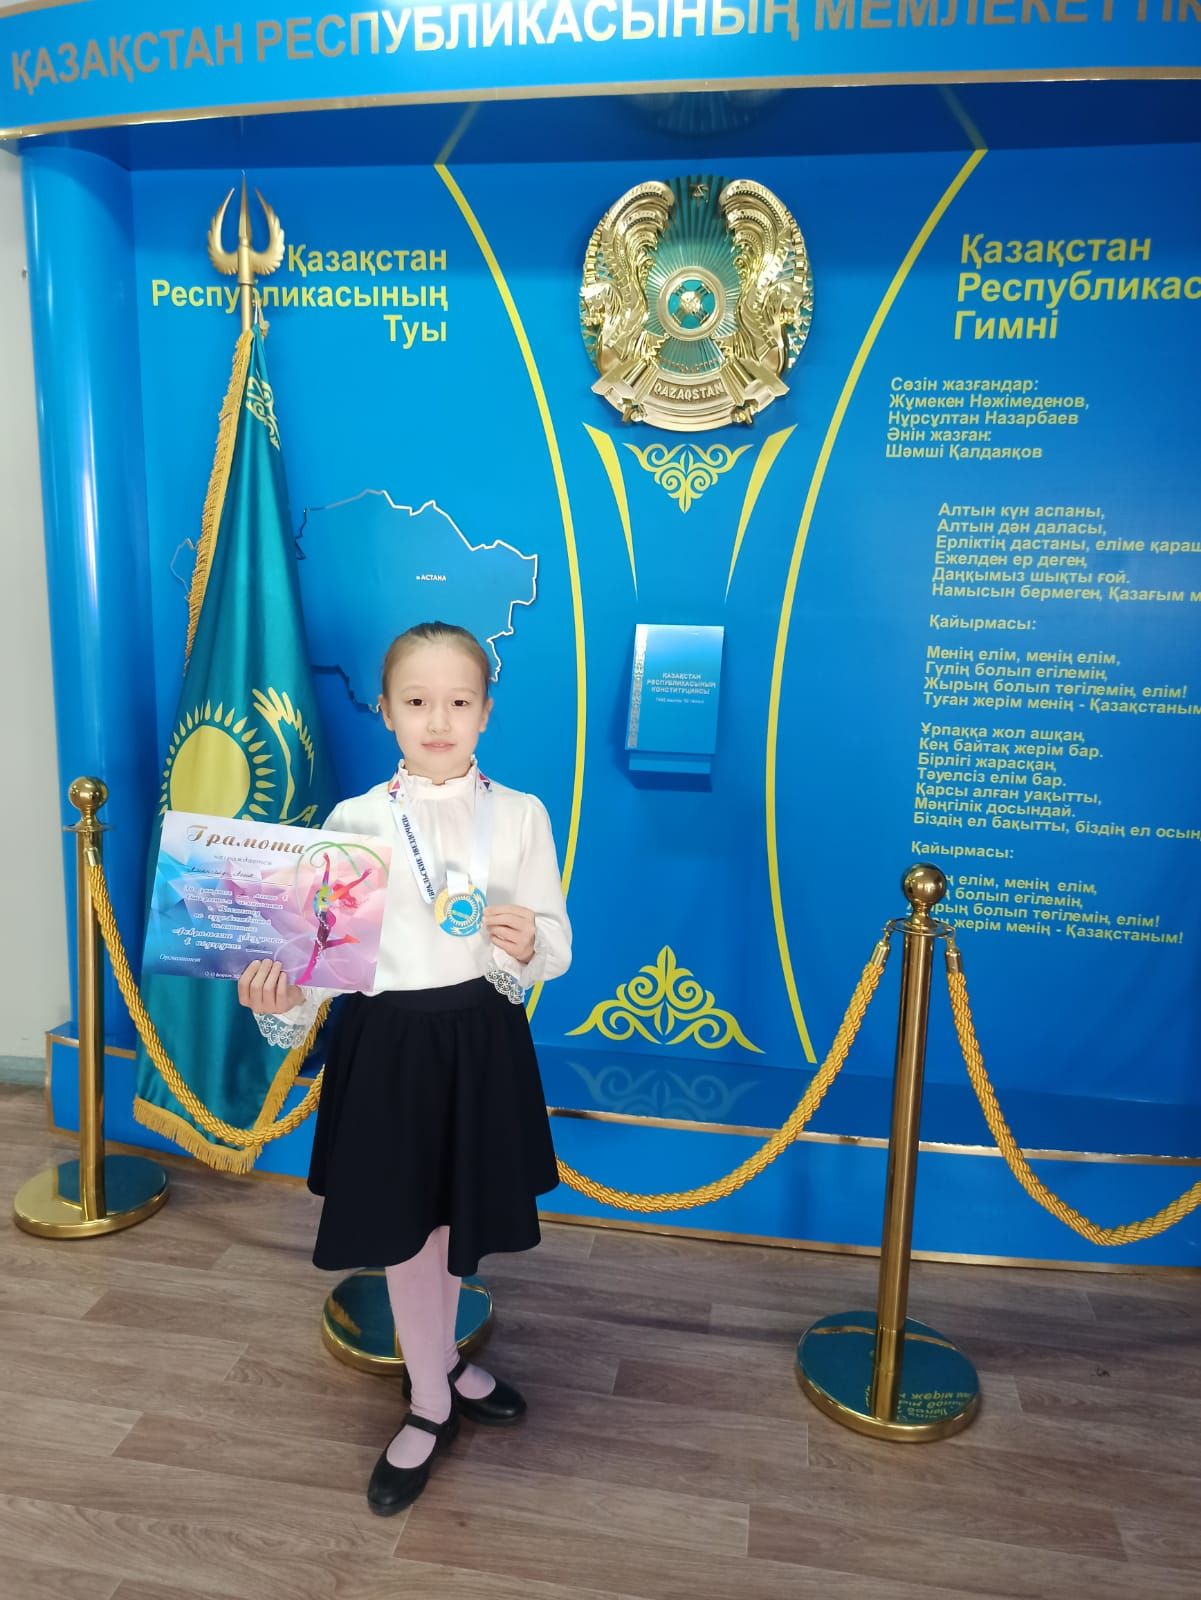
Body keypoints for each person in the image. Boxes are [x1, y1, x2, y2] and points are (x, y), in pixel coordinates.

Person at [237, 620, 571, 1515]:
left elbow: (554, 940)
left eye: (458, 701)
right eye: (416, 701)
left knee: (452, 1219)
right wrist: (281, 1000)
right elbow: (320, 957)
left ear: (486, 711)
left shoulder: (522, 815)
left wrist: (529, 940)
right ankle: (430, 1398)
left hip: (482, 1039)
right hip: (387, 1045)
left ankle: (441, 1365)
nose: (438, 720)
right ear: (384, 711)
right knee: (406, 1229)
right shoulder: (354, 821)